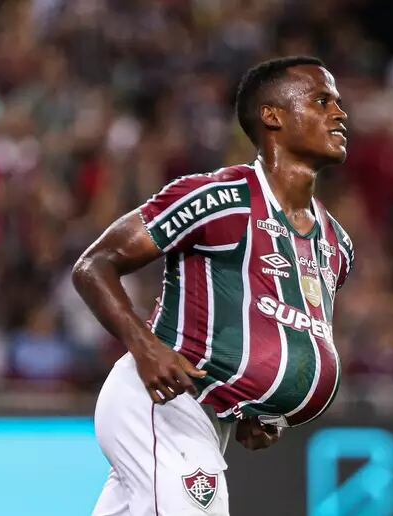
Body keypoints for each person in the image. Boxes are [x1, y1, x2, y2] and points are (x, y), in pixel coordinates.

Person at [72, 56, 354, 515]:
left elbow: (285, 334)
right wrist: (145, 347)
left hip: (212, 418)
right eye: (322, 101)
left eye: (338, 103)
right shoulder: (220, 200)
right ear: (272, 116)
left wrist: (259, 406)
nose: (340, 113)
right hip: (163, 404)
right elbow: (93, 265)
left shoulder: (336, 244)